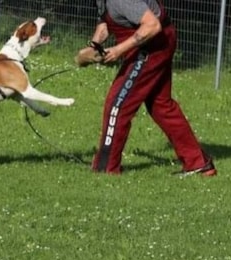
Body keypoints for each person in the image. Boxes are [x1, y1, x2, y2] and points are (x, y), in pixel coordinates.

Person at [75, 0, 217, 177]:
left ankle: (106, 168)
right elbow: (104, 25)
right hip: (159, 42)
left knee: (117, 105)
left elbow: (152, 25)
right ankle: (199, 163)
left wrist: (118, 50)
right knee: (161, 106)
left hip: (152, 46)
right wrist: (91, 49)